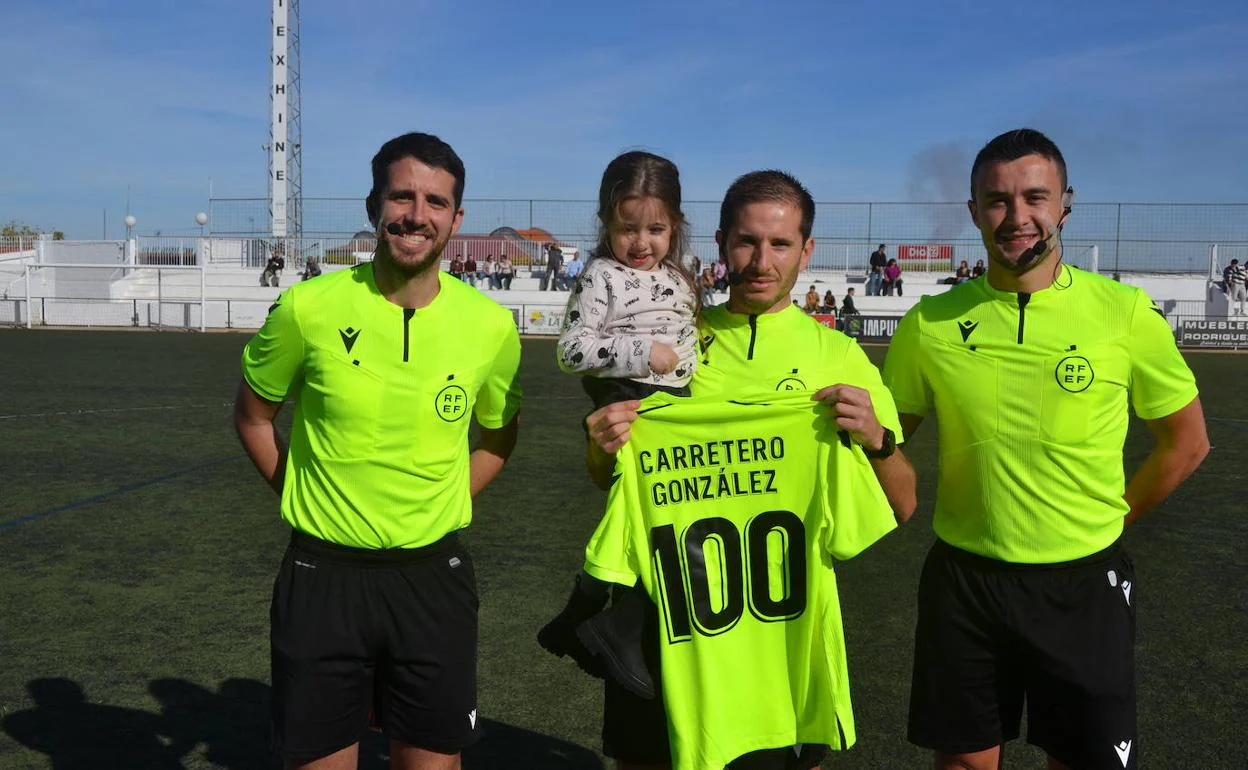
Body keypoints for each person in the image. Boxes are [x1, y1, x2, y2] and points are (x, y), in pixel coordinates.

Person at [884, 128, 1209, 770]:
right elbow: (887, 443)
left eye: (1035, 196)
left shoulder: (1124, 313)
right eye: (997, 200)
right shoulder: (930, 324)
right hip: (966, 582)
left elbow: (1187, 443)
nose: (1017, 216)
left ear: (1065, 203)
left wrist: (1116, 517)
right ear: (974, 211)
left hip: (1083, 584)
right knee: (964, 764)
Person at [578, 170, 917, 770]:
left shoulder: (838, 357)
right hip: (674, 628)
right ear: (719, 242)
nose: (762, 261)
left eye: (781, 244)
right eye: (746, 242)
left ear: (806, 250)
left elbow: (904, 505)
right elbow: (613, 480)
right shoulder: (675, 340)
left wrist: (878, 440)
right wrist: (603, 445)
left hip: (783, 639)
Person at [233, 131, 523, 770]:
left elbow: (499, 436)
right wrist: (300, 492)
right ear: (374, 206)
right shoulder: (307, 309)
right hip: (321, 581)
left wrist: (447, 497)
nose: (417, 215)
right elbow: (254, 417)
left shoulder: (491, 327)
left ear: (456, 219)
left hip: (433, 584)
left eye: (436, 202)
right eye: (402, 196)